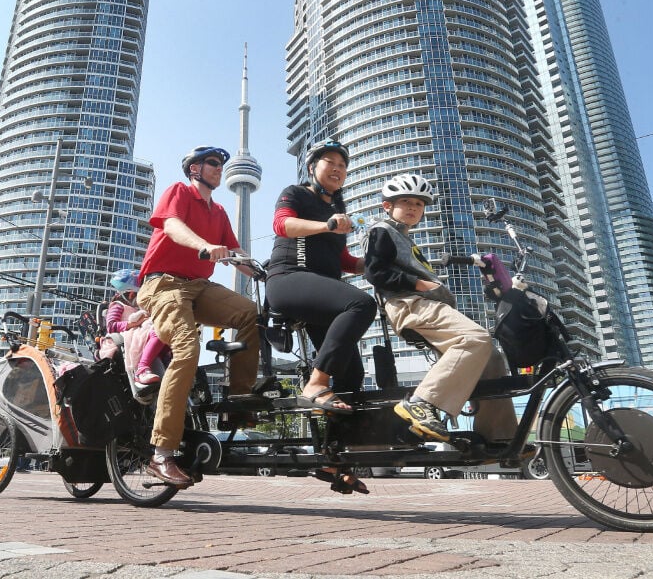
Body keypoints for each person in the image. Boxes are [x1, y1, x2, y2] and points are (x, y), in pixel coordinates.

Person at [135, 145, 261, 488]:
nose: (219, 168)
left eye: (221, 164)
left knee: (252, 313)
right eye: (212, 163)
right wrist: (203, 246)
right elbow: (173, 227)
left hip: (199, 286)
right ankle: (162, 453)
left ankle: (237, 400)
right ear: (194, 168)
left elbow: (237, 254)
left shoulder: (219, 212)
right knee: (188, 350)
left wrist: (266, 272)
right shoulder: (178, 192)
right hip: (163, 284)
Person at [363, 173, 516, 447]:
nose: (413, 208)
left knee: (491, 357)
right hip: (410, 304)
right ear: (387, 206)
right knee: (476, 338)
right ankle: (422, 403)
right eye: (405, 201)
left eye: (419, 204)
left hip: (428, 304)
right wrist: (417, 283)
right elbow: (375, 273)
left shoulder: (404, 238)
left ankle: (499, 437)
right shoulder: (380, 231)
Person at [265, 140, 375, 413]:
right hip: (288, 279)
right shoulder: (296, 194)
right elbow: (283, 224)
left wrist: (373, 264)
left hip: (321, 293)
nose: (337, 168)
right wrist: (326, 226)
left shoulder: (335, 212)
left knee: (351, 376)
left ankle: (341, 450)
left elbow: (344, 260)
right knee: (361, 304)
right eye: (330, 162)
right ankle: (316, 383)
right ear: (312, 167)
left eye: (342, 165)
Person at [105, 269, 169, 385]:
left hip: (138, 333)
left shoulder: (138, 310)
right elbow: (111, 326)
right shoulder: (118, 305)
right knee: (159, 330)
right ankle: (142, 369)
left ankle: (167, 363)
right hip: (125, 337)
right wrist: (134, 324)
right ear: (131, 294)